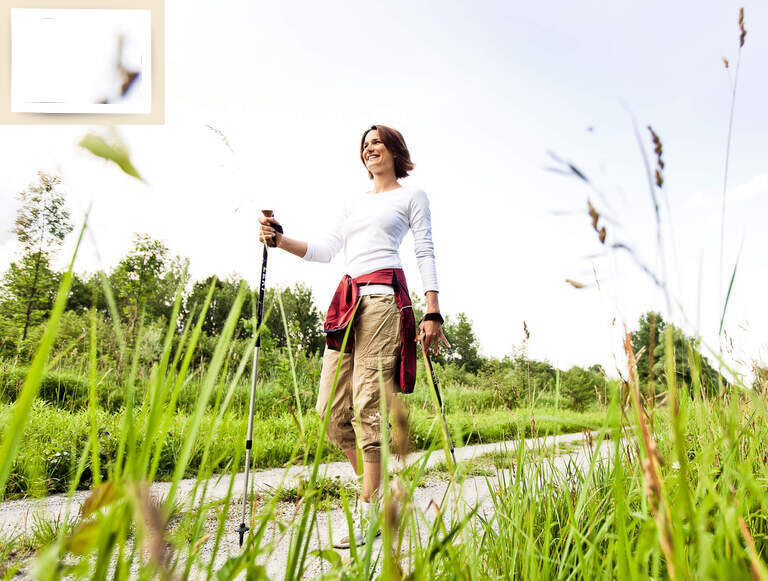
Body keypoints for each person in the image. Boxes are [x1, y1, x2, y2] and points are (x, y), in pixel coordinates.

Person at [258, 124, 449, 548]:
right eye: (365, 145)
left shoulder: (411, 195)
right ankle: (380, 497)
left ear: (395, 150)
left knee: (367, 404)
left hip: (383, 301)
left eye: (377, 142)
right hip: (346, 302)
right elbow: (326, 250)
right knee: (330, 411)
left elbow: (424, 249)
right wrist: (279, 239)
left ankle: (368, 509)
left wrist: (432, 309)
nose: (370, 149)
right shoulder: (352, 201)